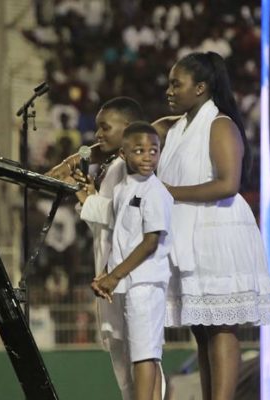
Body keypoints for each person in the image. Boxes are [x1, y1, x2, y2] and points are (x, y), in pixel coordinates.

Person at [153, 51, 270, 400]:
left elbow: (227, 184)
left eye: (177, 83)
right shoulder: (177, 128)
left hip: (219, 231)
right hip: (190, 233)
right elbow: (145, 132)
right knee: (202, 329)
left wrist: (170, 192)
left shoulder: (220, 124)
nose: (169, 90)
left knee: (221, 326)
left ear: (202, 88)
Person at [47, 97, 166, 399]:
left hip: (130, 277)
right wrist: (84, 194)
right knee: (124, 362)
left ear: (126, 130)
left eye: (105, 127)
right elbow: (110, 219)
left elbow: (131, 227)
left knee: (142, 357)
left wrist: (84, 194)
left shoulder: (132, 170)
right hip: (112, 276)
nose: (97, 135)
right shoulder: (116, 169)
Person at [89, 121, 173, 400]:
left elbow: (150, 242)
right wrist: (105, 273)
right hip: (131, 282)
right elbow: (121, 239)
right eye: (139, 151)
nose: (148, 157)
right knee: (138, 351)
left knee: (145, 354)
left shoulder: (155, 191)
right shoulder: (124, 188)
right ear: (124, 154)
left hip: (147, 283)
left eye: (153, 150)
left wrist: (114, 276)